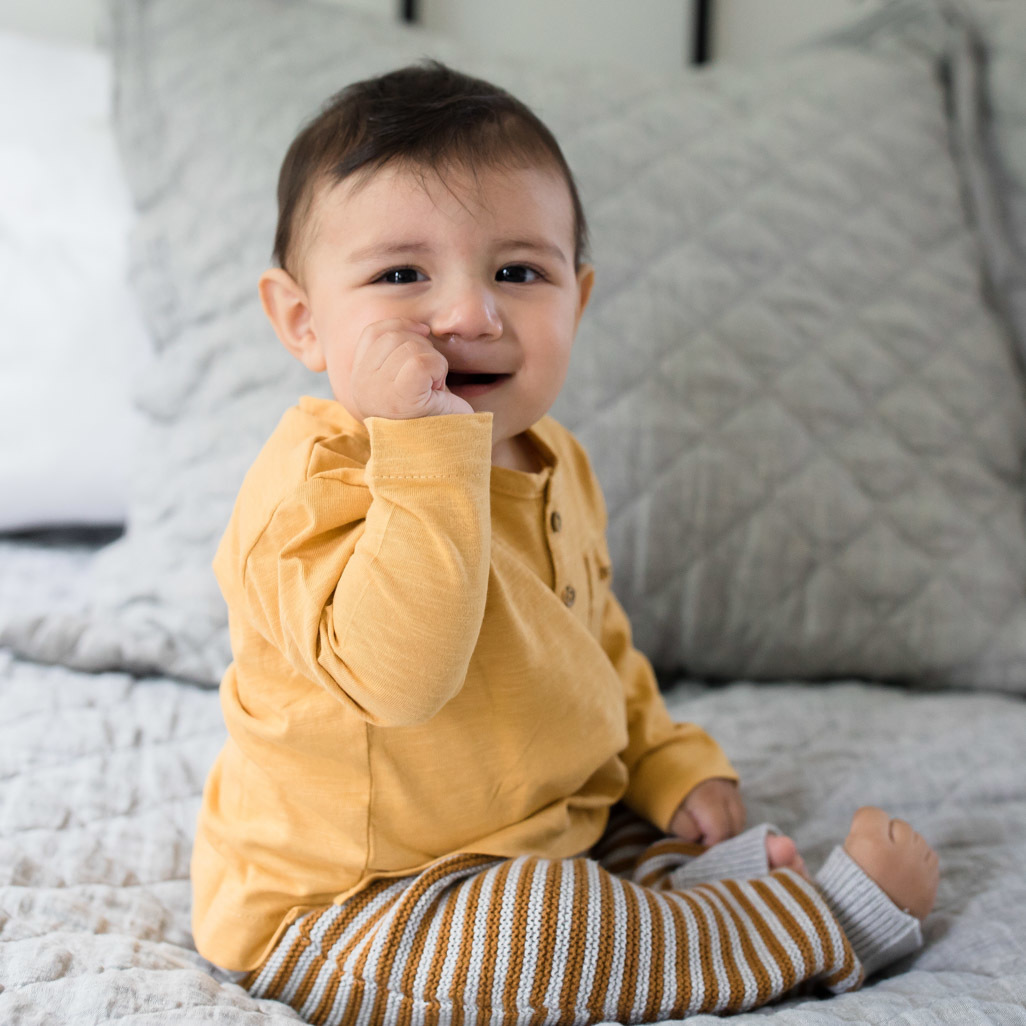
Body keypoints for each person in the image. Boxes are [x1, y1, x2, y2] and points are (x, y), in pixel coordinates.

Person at [190, 60, 940, 1025]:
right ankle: (820, 924)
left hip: (536, 829)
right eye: (401, 274)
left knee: (607, 838)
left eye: (518, 271)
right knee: (549, 933)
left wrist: (664, 758)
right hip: (352, 903)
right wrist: (425, 448)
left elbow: (591, 643)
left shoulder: (555, 462)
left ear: (575, 300)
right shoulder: (316, 482)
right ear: (302, 319)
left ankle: (682, 896)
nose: (468, 313)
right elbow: (397, 676)